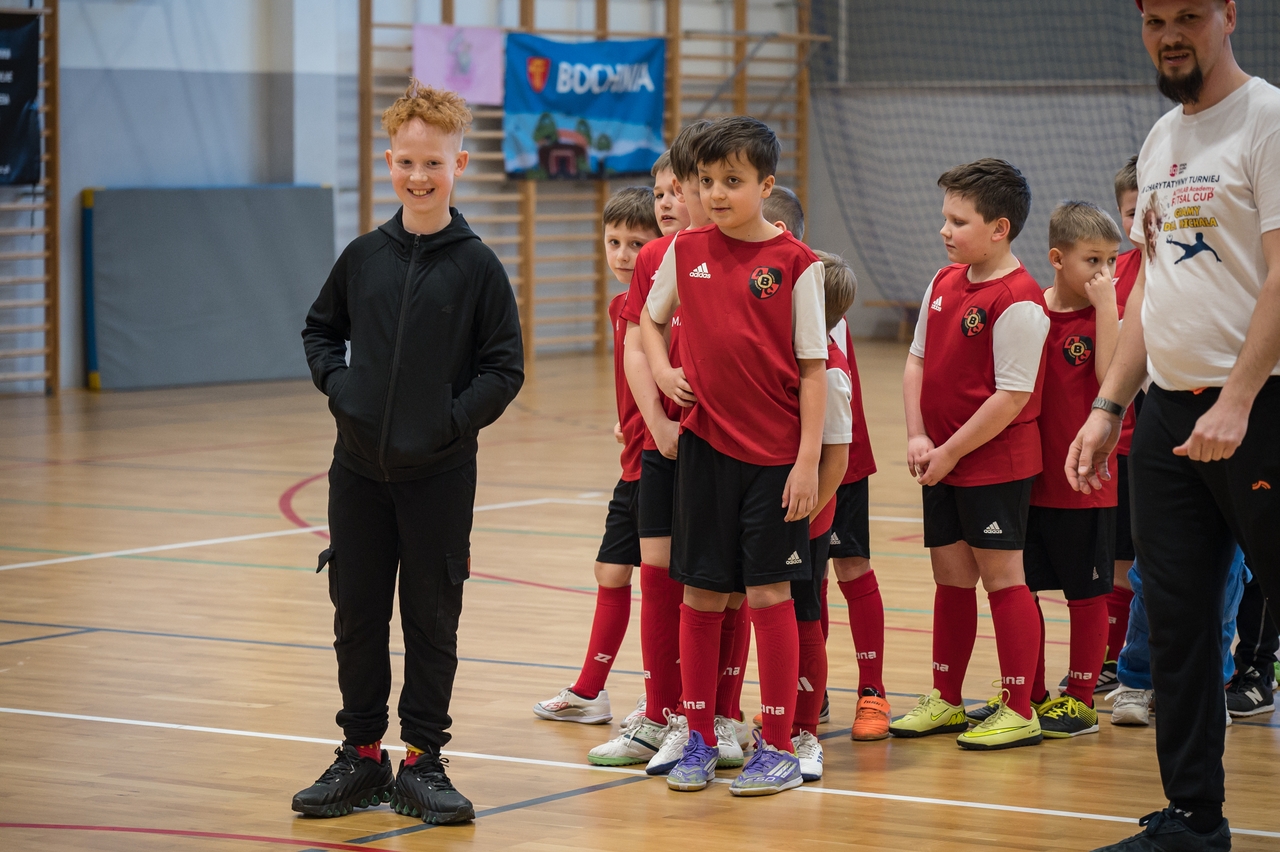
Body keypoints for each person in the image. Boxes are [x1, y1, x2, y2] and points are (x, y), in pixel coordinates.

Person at [1070, 2, 1280, 848]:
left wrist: (1238, 397)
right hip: (1166, 415)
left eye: (1189, 14)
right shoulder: (1161, 140)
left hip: (1260, 406)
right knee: (1181, 626)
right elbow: (1153, 288)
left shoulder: (1267, 119)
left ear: (1229, 15)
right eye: (1155, 19)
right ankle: (1193, 822)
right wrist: (1109, 405)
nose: (1170, 34)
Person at [294, 81, 523, 825]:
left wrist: (449, 424)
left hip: (439, 476)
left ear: (459, 164)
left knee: (430, 620)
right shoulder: (363, 257)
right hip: (357, 472)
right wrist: (343, 390)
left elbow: (504, 369)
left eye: (433, 163)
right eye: (405, 162)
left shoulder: (478, 267)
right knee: (357, 615)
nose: (418, 176)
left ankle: (423, 761)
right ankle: (362, 755)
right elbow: (320, 331)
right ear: (388, 161)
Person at [641, 115, 828, 795]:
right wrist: (664, 372)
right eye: (706, 181)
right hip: (704, 454)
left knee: (769, 593)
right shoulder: (684, 249)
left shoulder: (798, 265)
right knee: (700, 592)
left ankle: (776, 746)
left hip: (775, 462)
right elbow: (649, 320)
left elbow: (813, 371)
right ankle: (697, 736)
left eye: (732, 180)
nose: (716, 193)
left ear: (765, 185)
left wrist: (806, 463)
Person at [889, 158, 1050, 751]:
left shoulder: (1020, 300)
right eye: (945, 218)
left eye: (959, 221)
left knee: (1003, 579)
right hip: (941, 459)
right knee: (950, 578)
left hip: (991, 463)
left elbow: (1012, 397)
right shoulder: (943, 281)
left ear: (1000, 228)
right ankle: (947, 699)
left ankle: (1020, 708)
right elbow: (917, 360)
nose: (945, 230)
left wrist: (951, 451)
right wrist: (917, 436)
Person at [532, 187, 661, 725]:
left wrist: (650, 423)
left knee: (665, 584)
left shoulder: (663, 306)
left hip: (661, 459)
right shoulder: (618, 307)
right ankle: (589, 692)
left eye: (636, 243)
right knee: (610, 570)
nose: (623, 255)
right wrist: (626, 420)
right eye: (613, 242)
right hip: (633, 456)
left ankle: (664, 699)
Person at [1017, 201, 1124, 739]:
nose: (1105, 272)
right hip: (1027, 479)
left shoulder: (1108, 317)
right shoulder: (1031, 311)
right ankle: (1030, 692)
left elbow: (1111, 378)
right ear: (1057, 259)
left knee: (1086, 594)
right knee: (1024, 591)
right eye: (1093, 261)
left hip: (1084, 482)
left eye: (1112, 261)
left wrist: (1107, 307)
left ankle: (1080, 698)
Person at [790, 250, 858, 782]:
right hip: (777, 513)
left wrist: (807, 514)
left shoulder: (830, 373)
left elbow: (836, 461)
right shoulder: (790, 360)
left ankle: (805, 727)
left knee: (804, 616)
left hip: (805, 518)